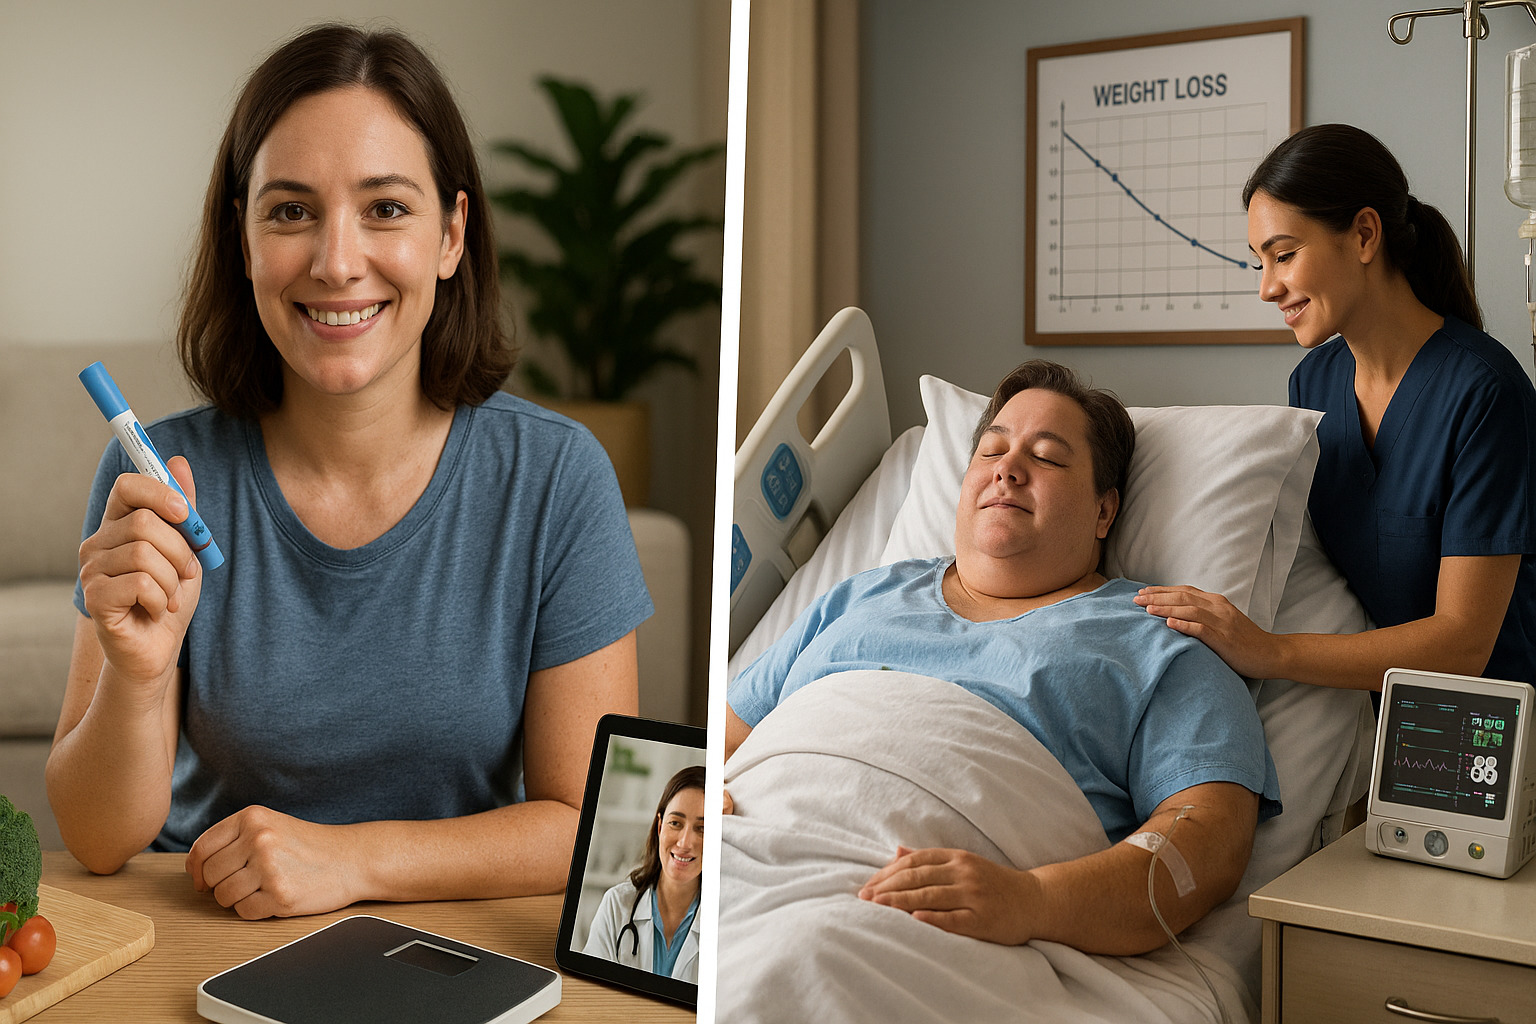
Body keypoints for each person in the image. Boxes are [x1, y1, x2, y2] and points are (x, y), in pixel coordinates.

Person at [47, 24, 652, 918]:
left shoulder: (558, 479)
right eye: (290, 211)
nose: (336, 262)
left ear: (452, 235)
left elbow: (596, 822)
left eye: (386, 209)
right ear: (243, 239)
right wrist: (137, 678)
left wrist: (352, 862)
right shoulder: (161, 479)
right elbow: (97, 843)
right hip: (210, 935)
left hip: (455, 946)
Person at [725, 361, 1281, 955]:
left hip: (903, 917)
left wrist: (1031, 899)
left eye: (1046, 457)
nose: (1008, 469)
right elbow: (727, 742)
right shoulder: (861, 596)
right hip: (738, 865)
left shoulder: (1161, 641)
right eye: (991, 451)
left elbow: (1205, 846)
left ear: (1104, 511)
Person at [1136, 123, 1536, 691]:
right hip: (1365, 707)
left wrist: (1268, 651)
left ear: (1365, 235)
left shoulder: (1483, 392)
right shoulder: (1313, 387)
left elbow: (1464, 643)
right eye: (1260, 263)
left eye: (1285, 255)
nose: (1268, 289)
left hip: (1488, 721)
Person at [582, 765, 704, 982]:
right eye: (675, 823)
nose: (685, 843)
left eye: (702, 828)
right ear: (659, 827)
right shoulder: (617, 905)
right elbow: (591, 993)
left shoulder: (725, 922)